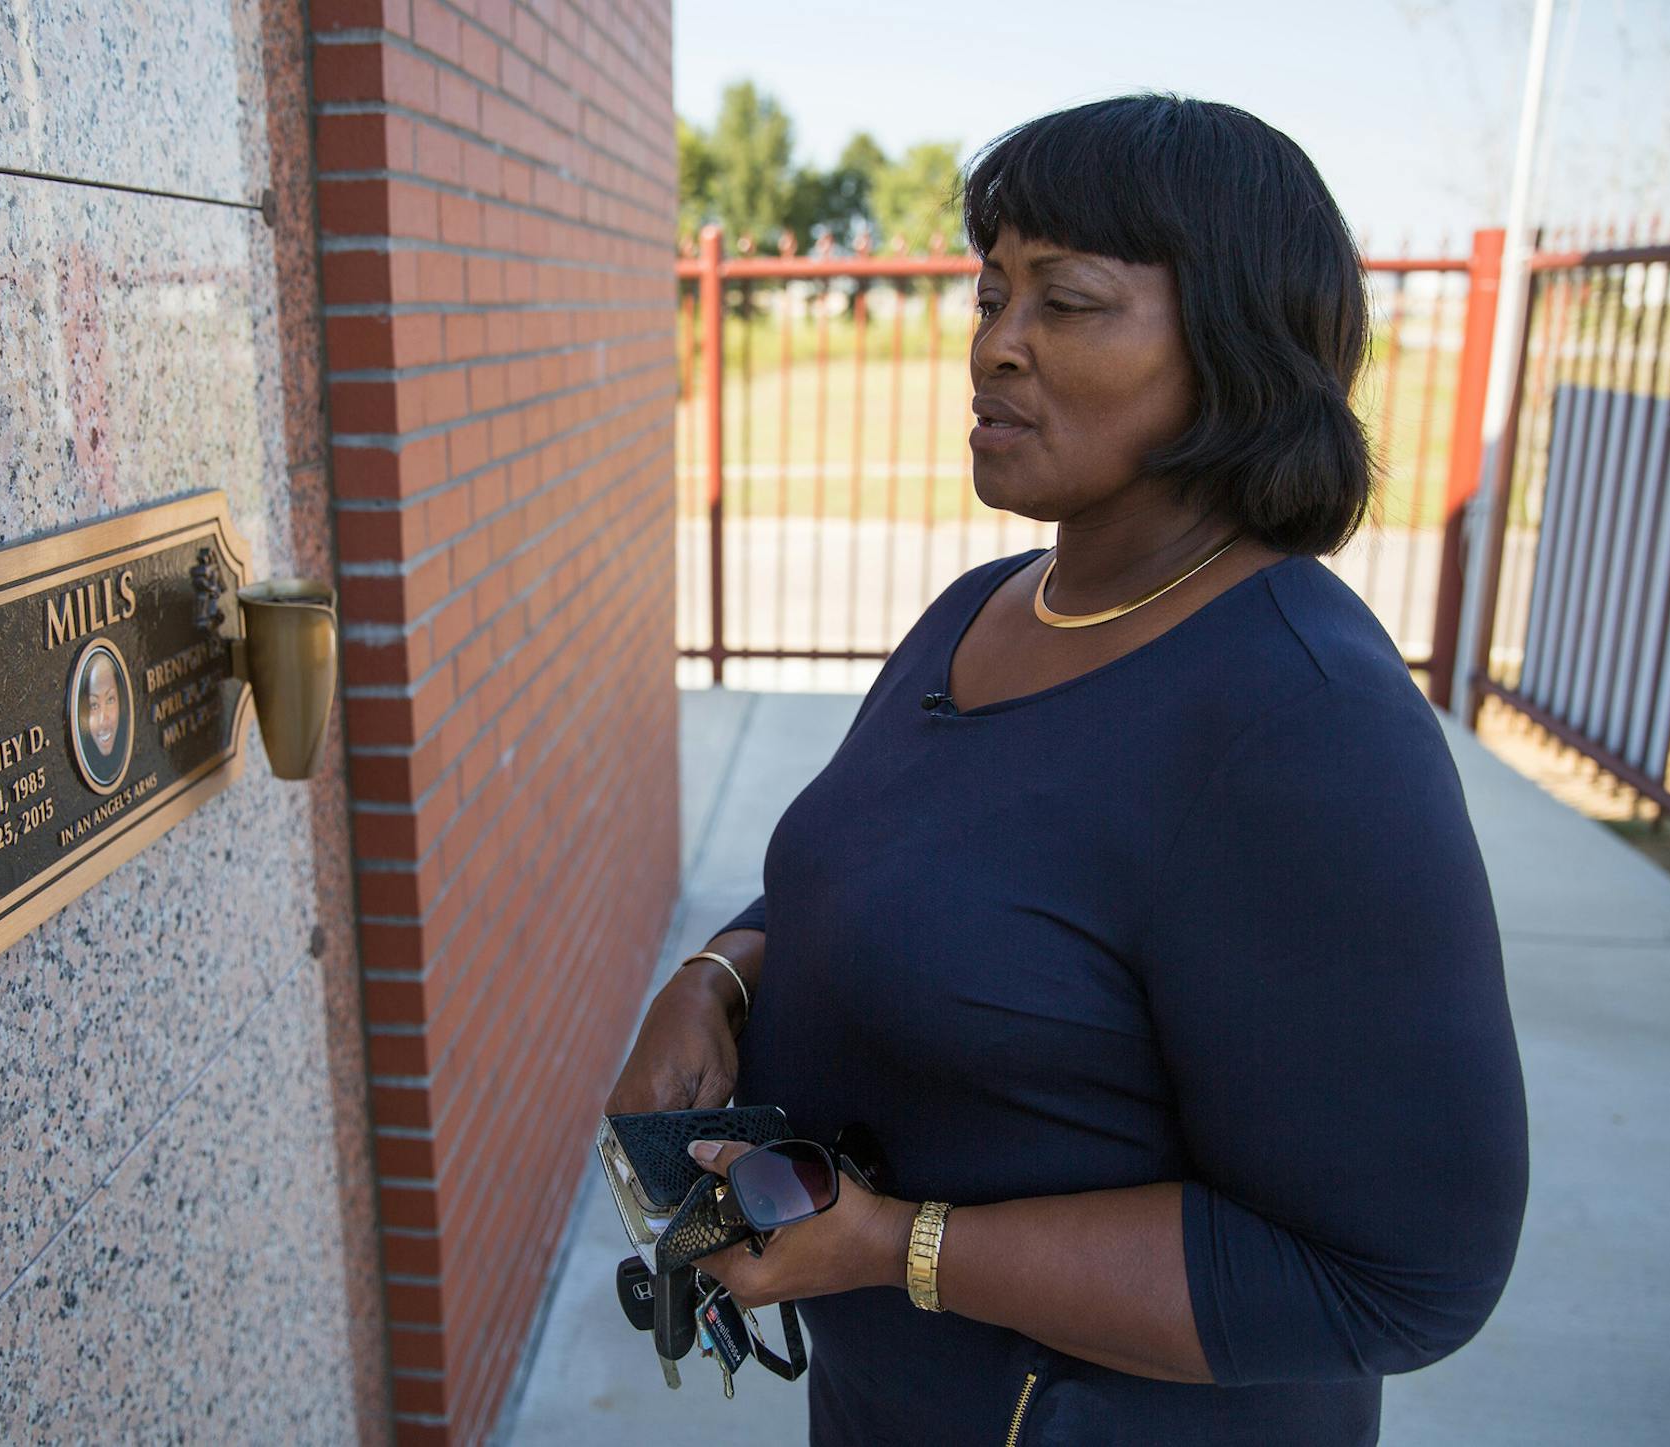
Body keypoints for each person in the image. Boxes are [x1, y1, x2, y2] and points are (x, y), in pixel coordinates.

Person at [606, 94, 1528, 1446]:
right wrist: (720, 975)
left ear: (1235, 348)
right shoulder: (985, 607)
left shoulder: (1303, 719)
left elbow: (1399, 1273)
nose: (996, 346)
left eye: (1069, 301)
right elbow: (892, 875)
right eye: (991, 294)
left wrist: (899, 1248)